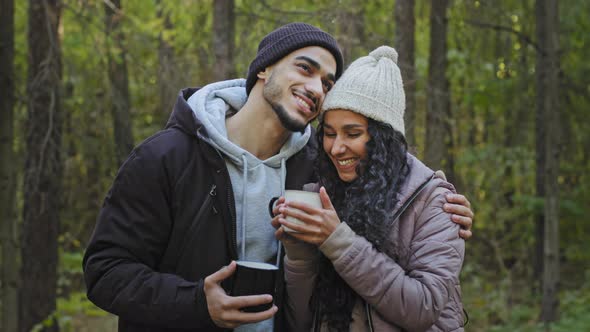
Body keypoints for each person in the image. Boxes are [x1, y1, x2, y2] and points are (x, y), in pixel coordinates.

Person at [83, 23, 472, 332]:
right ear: (264, 67)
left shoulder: (317, 170)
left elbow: (390, 176)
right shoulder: (166, 157)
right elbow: (105, 272)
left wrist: (442, 204)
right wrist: (196, 304)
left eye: (328, 82)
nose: (316, 87)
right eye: (305, 68)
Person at [273, 46, 467, 331]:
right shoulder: (324, 195)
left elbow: (422, 307)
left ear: (383, 138)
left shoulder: (434, 202)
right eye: (328, 134)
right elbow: (303, 320)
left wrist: (338, 241)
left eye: (353, 133)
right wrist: (299, 255)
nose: (337, 148)